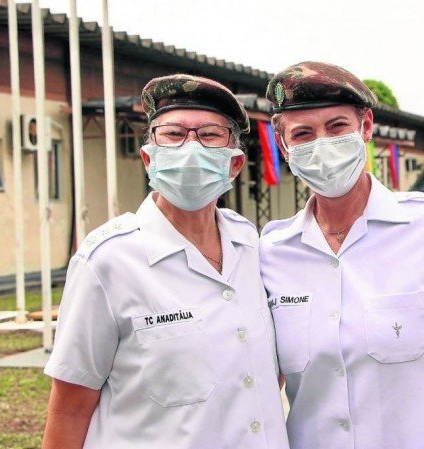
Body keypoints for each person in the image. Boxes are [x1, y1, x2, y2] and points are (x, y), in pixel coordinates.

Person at [260, 61, 424, 449]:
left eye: (337, 127)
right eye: (303, 134)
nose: (322, 144)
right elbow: (264, 386)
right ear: (284, 146)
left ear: (365, 128)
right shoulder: (271, 252)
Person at [42, 74, 289, 449]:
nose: (191, 147)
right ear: (147, 158)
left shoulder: (252, 246)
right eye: (173, 134)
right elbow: (70, 410)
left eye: (209, 135)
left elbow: (262, 374)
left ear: (234, 165)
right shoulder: (107, 261)